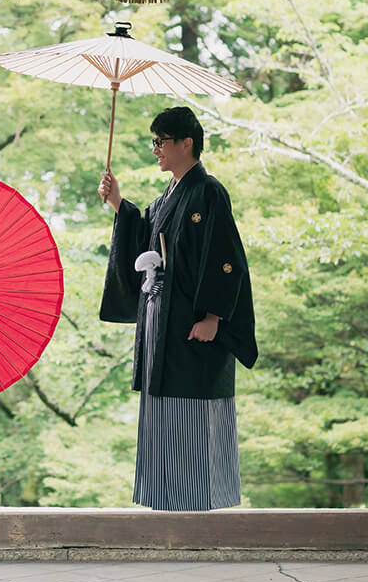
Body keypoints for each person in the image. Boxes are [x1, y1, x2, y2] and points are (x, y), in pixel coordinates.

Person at [98, 106, 257, 511]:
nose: (156, 149)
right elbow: (144, 235)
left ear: (187, 143)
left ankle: (198, 502)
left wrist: (213, 317)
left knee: (194, 408)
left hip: (192, 320)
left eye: (161, 141)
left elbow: (226, 258)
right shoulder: (168, 196)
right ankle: (165, 499)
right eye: (154, 142)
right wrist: (119, 203)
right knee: (164, 404)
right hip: (162, 318)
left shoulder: (208, 191)